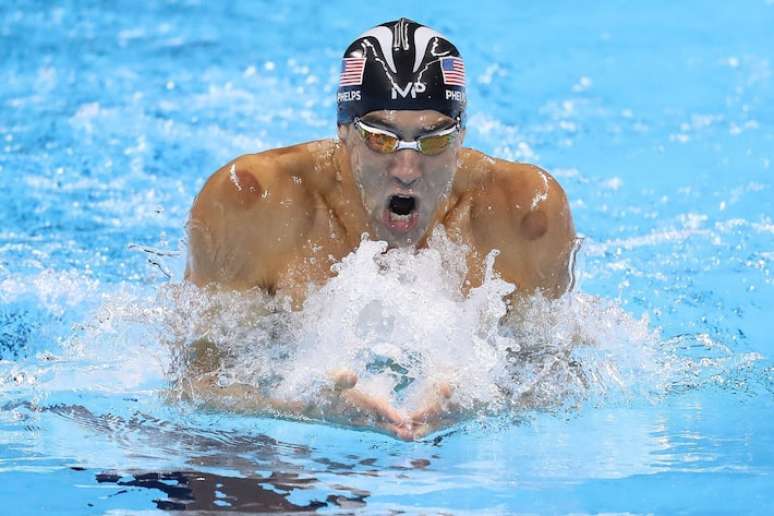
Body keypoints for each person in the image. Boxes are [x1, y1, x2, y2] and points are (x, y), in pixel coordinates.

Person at [184, 18, 576, 440]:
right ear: (344, 131)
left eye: (433, 140)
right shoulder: (253, 204)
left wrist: (479, 404)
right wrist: (296, 407)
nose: (406, 171)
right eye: (381, 139)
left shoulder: (525, 215)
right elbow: (194, 385)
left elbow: (560, 378)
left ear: (461, 136)